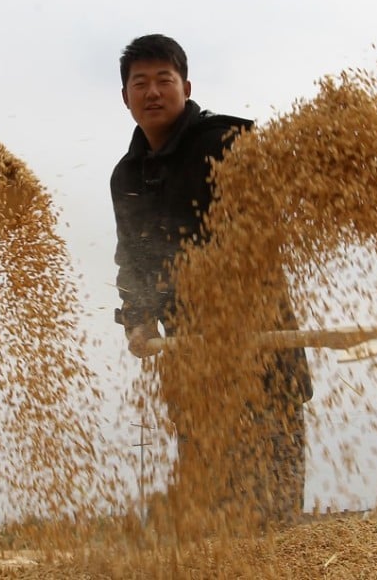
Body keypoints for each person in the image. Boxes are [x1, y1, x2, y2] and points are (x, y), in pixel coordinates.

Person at [110, 34, 312, 534]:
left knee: (272, 510)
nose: (153, 92)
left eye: (164, 80)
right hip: (194, 361)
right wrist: (137, 318)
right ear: (126, 96)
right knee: (211, 502)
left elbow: (281, 207)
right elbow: (132, 258)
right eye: (141, 83)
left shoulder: (228, 142)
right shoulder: (127, 175)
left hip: (261, 346)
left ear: (186, 87)